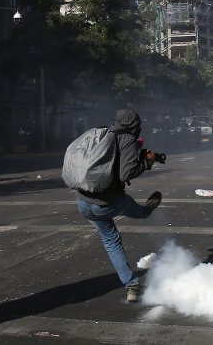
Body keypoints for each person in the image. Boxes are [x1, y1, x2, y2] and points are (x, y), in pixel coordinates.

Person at [73, 108, 162, 302]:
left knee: (111, 241)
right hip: (107, 202)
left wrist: (139, 155)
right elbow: (125, 174)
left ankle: (132, 286)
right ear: (134, 125)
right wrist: (147, 163)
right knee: (140, 211)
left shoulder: (104, 134)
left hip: (83, 201)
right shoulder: (128, 138)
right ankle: (146, 210)